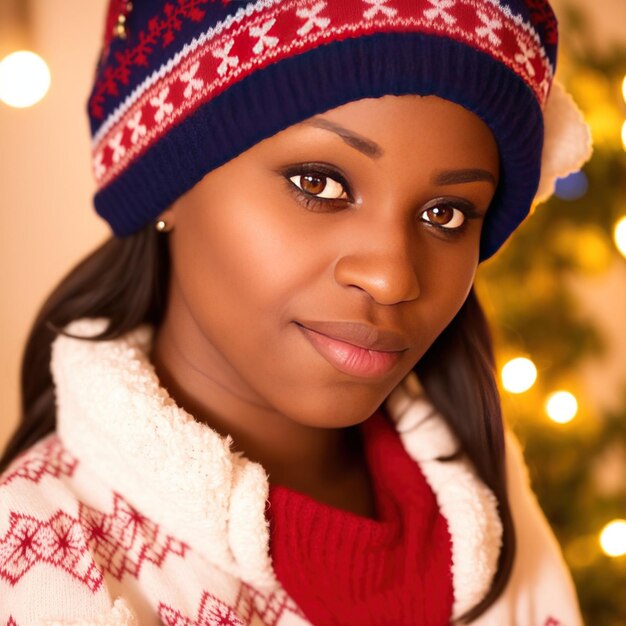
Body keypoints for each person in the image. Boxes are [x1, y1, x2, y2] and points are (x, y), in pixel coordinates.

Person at [0, 0, 592, 624]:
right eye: (318, 183)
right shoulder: (39, 557)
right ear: (168, 179)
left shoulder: (486, 502)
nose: (392, 277)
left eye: (444, 214)